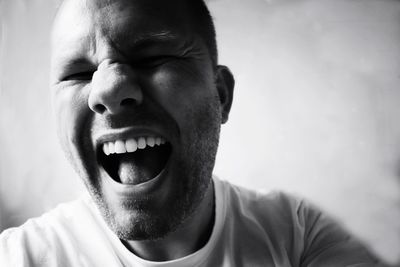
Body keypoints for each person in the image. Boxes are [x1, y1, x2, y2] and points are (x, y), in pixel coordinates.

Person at [0, 0, 382, 266]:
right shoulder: (20, 256)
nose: (109, 91)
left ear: (221, 95)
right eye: (78, 74)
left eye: (153, 58)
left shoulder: (297, 234)